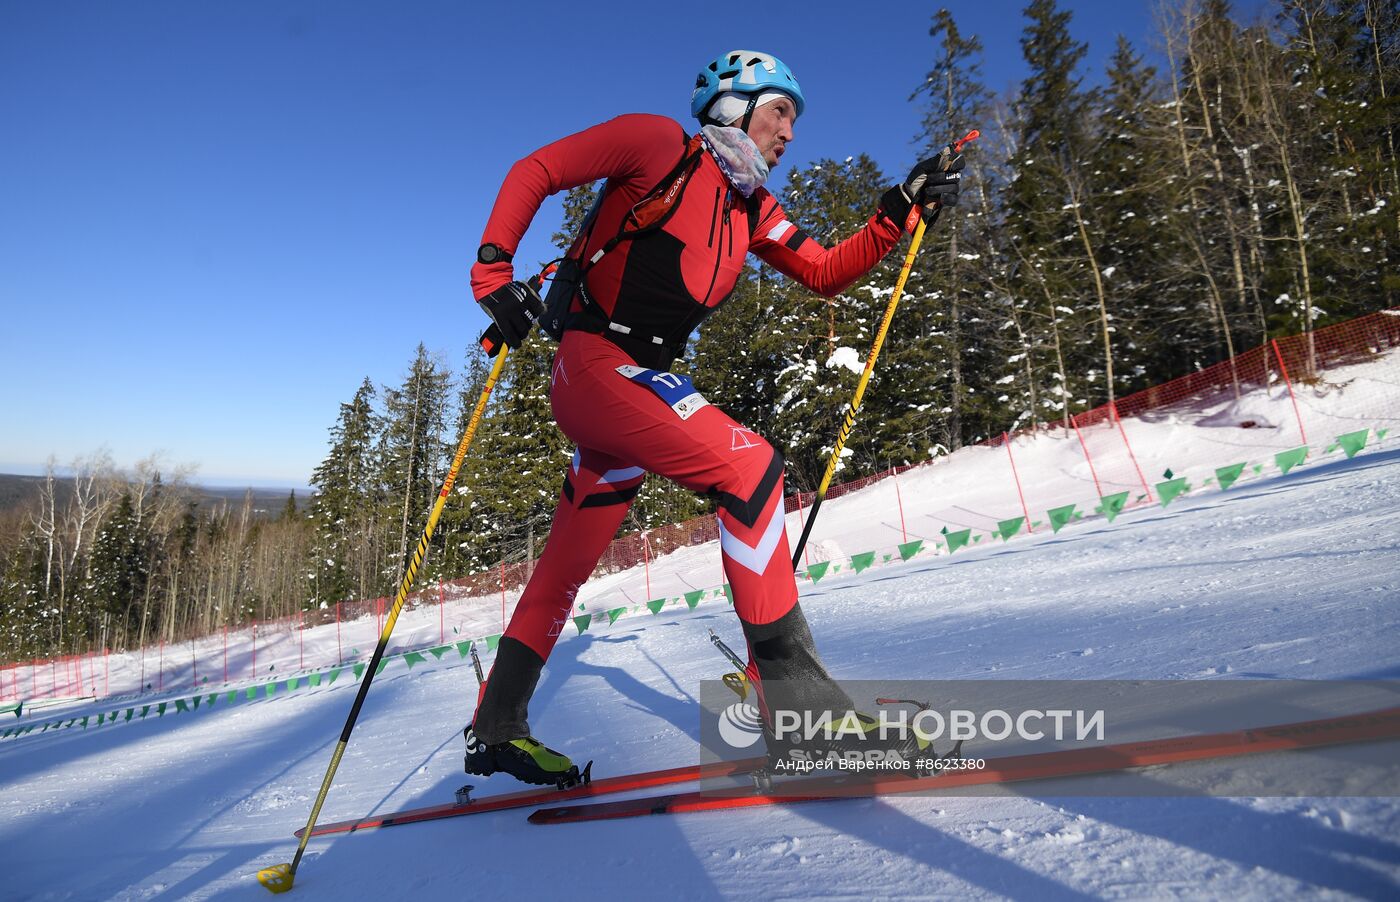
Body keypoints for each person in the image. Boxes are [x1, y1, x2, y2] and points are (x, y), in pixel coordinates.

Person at [465, 50, 964, 786]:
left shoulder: (751, 206)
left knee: (567, 563)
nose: (791, 133)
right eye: (781, 111)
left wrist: (899, 208)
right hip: (593, 366)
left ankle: (496, 725)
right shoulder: (658, 144)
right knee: (749, 464)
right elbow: (535, 170)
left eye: (795, 119)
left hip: (635, 384)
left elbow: (824, 270)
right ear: (733, 104)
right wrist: (493, 272)